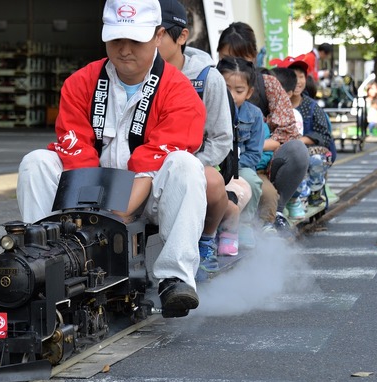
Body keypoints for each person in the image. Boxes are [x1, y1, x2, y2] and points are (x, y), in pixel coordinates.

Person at [17, 0, 207, 318]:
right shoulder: (80, 83)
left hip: (147, 195)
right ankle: (40, 265)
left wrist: (118, 212)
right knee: (36, 161)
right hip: (87, 189)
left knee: (186, 166)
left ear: (159, 35)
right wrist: (93, 212)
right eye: (116, 39)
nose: (125, 49)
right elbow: (75, 149)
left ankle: (174, 279)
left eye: (136, 39)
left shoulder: (179, 89)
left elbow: (155, 157)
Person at [157, 0, 232, 272]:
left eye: (160, 32)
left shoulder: (206, 78)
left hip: (194, 160)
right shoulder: (137, 76)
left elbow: (222, 138)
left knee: (211, 182)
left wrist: (192, 164)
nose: (151, 41)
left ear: (182, 36)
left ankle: (206, 238)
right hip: (149, 163)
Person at [217, 22, 309, 237]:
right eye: (228, 58)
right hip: (217, 162)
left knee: (296, 152)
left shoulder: (267, 85)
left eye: (243, 58)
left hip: (257, 162)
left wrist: (248, 147)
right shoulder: (210, 81)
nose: (235, 66)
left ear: (254, 56)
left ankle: (271, 215)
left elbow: (288, 133)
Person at [216, 56, 265, 254]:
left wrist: (232, 169)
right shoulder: (209, 108)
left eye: (239, 91)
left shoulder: (254, 115)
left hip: (240, 166)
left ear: (250, 92)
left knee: (252, 182)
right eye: (226, 88)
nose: (232, 96)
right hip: (214, 164)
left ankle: (244, 223)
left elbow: (254, 154)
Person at [281, 57, 333, 213]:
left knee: (315, 159)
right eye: (293, 77)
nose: (298, 81)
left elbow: (324, 134)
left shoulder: (312, 107)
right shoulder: (278, 105)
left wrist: (300, 141)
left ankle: (315, 191)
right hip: (284, 150)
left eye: (301, 77)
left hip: (311, 150)